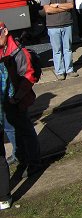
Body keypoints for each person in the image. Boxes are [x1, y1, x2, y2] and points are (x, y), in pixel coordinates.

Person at [0, 22, 42, 180]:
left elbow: (29, 76)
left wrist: (16, 98)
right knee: (10, 129)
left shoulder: (18, 51)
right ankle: (19, 155)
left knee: (25, 130)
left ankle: (34, 162)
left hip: (17, 98)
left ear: (5, 31)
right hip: (4, 99)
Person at [40, 0, 76, 79]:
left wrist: (56, 6)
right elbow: (47, 9)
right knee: (57, 50)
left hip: (67, 23)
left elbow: (71, 5)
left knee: (68, 48)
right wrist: (62, 8)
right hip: (53, 26)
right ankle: (60, 71)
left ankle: (69, 69)